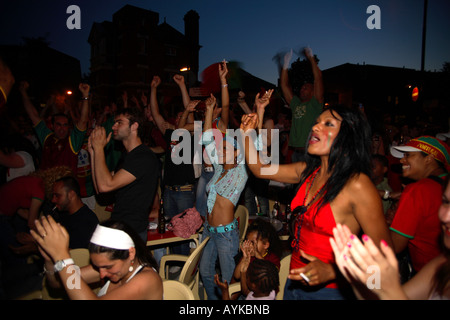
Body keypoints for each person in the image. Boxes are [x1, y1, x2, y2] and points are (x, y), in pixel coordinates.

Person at [240, 103, 392, 300]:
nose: (315, 127)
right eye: (317, 122)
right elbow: (260, 169)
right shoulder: (307, 171)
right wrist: (246, 134)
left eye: (328, 123)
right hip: (294, 282)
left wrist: (332, 271)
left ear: (348, 136)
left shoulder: (357, 185)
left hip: (332, 290)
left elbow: (384, 253)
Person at [330, 176, 450, 299]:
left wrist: (389, 289)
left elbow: (392, 246)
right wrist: (356, 276)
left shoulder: (419, 190)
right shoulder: (441, 266)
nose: (446, 217)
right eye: (446, 202)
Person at [30, 216, 163, 300]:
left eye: (107, 266)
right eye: (98, 267)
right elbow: (57, 283)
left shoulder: (147, 280)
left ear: (131, 254)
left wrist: (63, 258)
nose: (102, 274)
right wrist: (49, 259)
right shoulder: (107, 269)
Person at [198, 92, 249, 300]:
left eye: (225, 147)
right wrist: (209, 110)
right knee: (206, 272)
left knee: (230, 281)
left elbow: (251, 147)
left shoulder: (241, 172)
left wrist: (249, 126)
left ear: (237, 153)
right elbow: (208, 138)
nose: (219, 149)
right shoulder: (219, 168)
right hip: (209, 230)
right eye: (220, 147)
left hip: (226, 235)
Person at [88, 107, 159, 242]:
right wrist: (93, 154)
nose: (114, 126)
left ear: (134, 126)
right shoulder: (127, 156)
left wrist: (99, 149)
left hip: (131, 232)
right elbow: (100, 188)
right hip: (121, 228)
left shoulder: (143, 157)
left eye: (119, 122)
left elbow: (105, 185)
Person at [388, 136, 450, 274]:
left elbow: (394, 245)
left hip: (430, 279)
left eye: (408, 155)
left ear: (429, 159)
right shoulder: (446, 184)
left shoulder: (417, 190)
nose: (402, 160)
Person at [20, 81, 90, 176]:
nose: (62, 128)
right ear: (52, 126)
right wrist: (23, 92)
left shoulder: (72, 141)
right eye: (58, 125)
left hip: (64, 189)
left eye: (65, 125)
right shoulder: (46, 137)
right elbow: (33, 115)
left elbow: (83, 121)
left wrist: (85, 96)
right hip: (45, 187)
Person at [196, 61, 231, 218]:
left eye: (214, 105)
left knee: (213, 212)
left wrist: (223, 82)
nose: (211, 106)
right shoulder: (205, 123)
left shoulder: (221, 124)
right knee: (200, 210)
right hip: (205, 171)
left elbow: (226, 106)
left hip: (217, 172)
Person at [280, 47, 324, 163]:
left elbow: (318, 78)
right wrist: (285, 65)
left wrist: (310, 58)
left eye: (305, 88)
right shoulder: (296, 104)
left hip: (310, 154)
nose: (301, 89)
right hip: (296, 153)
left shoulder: (315, 104)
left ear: (313, 91)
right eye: (301, 88)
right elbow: (284, 85)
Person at [51, 176, 99, 249]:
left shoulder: (87, 221)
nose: (53, 200)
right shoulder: (62, 215)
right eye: (53, 196)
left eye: (57, 196)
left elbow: (75, 254)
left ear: (71, 195)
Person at [215, 259, 279, 300]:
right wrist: (243, 272)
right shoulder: (269, 292)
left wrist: (225, 291)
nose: (246, 278)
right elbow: (246, 292)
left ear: (253, 285)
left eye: (247, 277)